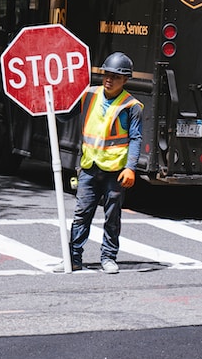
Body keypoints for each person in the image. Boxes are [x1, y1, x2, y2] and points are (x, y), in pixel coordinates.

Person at [55, 52, 143, 274]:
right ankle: (73, 258)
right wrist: (54, 99)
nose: (109, 79)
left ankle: (109, 257)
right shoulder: (89, 95)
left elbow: (135, 138)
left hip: (115, 171)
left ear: (125, 80)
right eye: (106, 74)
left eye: (115, 76)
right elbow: (65, 115)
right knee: (82, 213)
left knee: (112, 215)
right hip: (89, 167)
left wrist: (131, 168)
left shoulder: (132, 106)